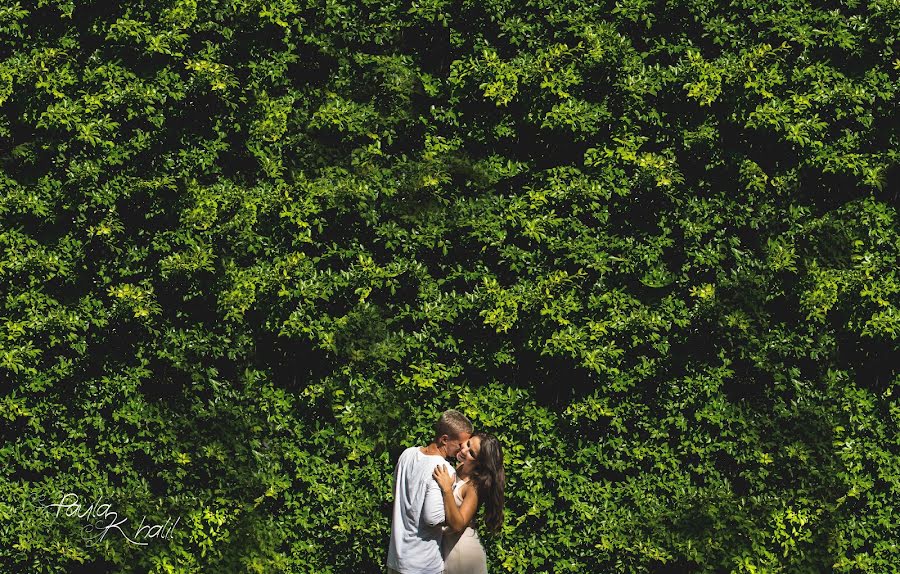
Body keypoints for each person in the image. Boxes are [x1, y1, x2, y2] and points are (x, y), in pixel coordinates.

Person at [387, 410, 474, 574]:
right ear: (444, 440)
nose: (462, 450)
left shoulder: (407, 454)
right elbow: (433, 518)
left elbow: (396, 492)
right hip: (423, 564)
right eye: (460, 444)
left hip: (396, 559)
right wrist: (458, 518)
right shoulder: (443, 469)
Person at [432, 432, 505, 574]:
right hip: (448, 548)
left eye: (472, 453)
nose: (464, 450)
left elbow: (458, 525)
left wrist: (447, 489)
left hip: (463, 556)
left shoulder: (474, 486)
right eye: (468, 444)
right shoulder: (459, 467)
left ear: (480, 463)